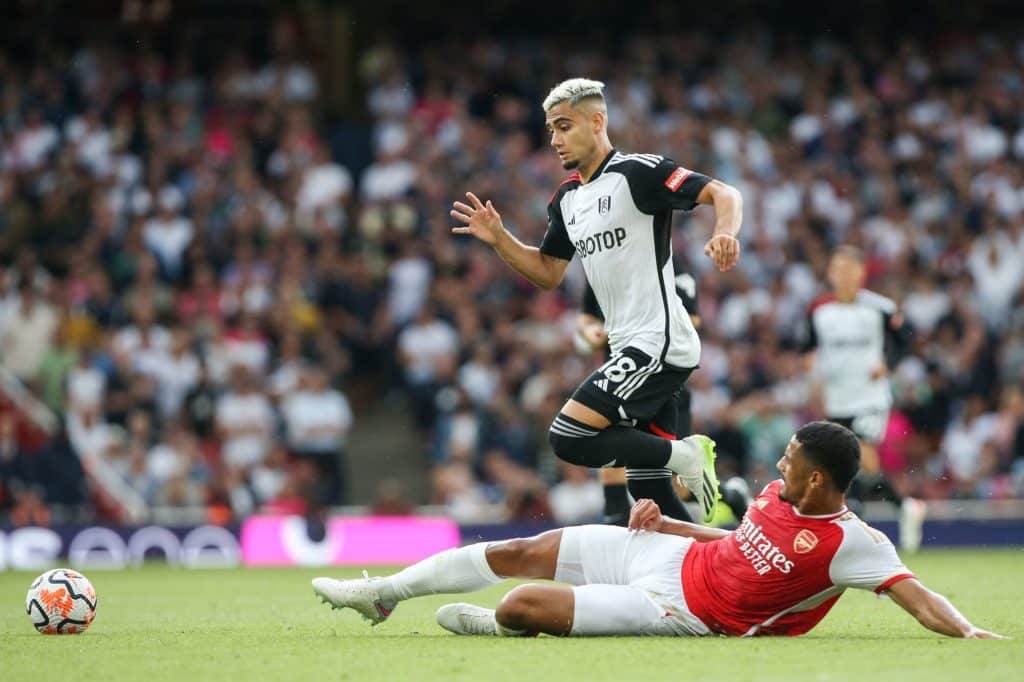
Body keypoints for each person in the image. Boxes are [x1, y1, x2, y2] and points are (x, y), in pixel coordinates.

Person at [311, 422, 1003, 640]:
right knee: (522, 550)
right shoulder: (774, 495)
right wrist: (669, 521)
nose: (778, 464)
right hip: (666, 552)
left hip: (678, 610)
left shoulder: (854, 543)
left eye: (791, 459)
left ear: (819, 479)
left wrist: (968, 632)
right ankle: (383, 593)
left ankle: (497, 627)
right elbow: (736, 545)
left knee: (520, 606)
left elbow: (918, 597)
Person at [450, 78, 743, 522]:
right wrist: (500, 239)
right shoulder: (567, 199)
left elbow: (724, 192)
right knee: (648, 491)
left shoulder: (637, 173)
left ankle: (687, 455)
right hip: (628, 347)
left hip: (658, 342)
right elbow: (548, 271)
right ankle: (726, 554)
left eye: (564, 126)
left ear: (597, 121)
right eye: (551, 130)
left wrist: (725, 233)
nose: (555, 140)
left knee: (568, 436)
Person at [577, 274, 750, 525]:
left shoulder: (666, 265)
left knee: (671, 484)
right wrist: (590, 331)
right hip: (617, 381)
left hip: (661, 385)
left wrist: (629, 324)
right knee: (612, 451)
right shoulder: (600, 261)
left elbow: (692, 319)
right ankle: (616, 515)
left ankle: (729, 496)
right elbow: (586, 317)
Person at [802, 246, 926, 551]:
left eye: (849, 268)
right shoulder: (819, 311)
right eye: (837, 269)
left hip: (870, 397)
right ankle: (904, 506)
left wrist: (888, 363)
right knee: (849, 465)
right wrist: (811, 370)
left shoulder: (880, 308)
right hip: (836, 399)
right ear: (830, 273)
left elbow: (906, 339)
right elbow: (809, 347)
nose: (843, 275)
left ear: (861, 273)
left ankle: (853, 531)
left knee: (862, 455)